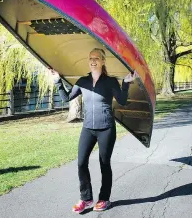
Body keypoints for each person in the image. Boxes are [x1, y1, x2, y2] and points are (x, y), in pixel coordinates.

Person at [50, 48, 138, 213]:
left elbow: (123, 101)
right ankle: (86, 198)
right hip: (88, 128)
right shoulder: (83, 81)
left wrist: (126, 83)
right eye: (91, 58)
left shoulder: (110, 81)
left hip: (106, 128)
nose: (93, 61)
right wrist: (57, 81)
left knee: (104, 164)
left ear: (103, 61)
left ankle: (104, 199)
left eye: (96, 58)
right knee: (81, 162)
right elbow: (67, 97)